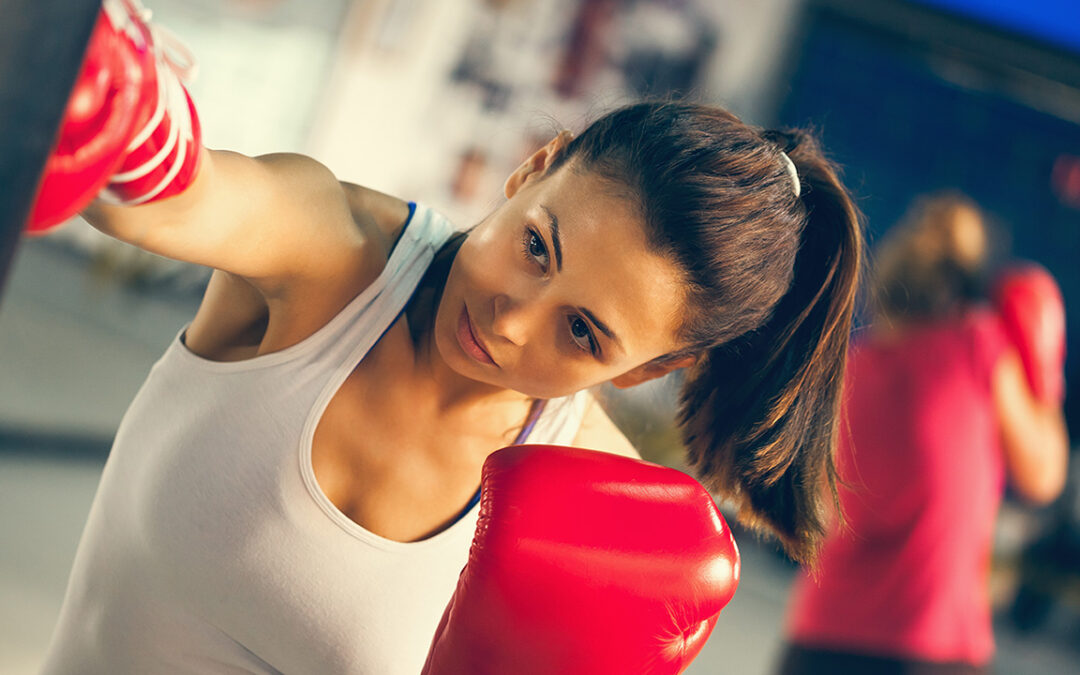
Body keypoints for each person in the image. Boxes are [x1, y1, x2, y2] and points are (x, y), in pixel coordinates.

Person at [31, 2, 862, 672]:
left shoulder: (605, 518)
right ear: (534, 167)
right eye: (537, 245)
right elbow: (172, 194)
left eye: (581, 331)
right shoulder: (335, 255)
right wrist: (121, 97)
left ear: (657, 366)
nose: (510, 318)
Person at [778, 194, 1070, 675]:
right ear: (968, 285)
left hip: (818, 637)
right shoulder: (979, 348)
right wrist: (1044, 376)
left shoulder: (855, 365)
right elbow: (1043, 475)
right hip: (926, 645)